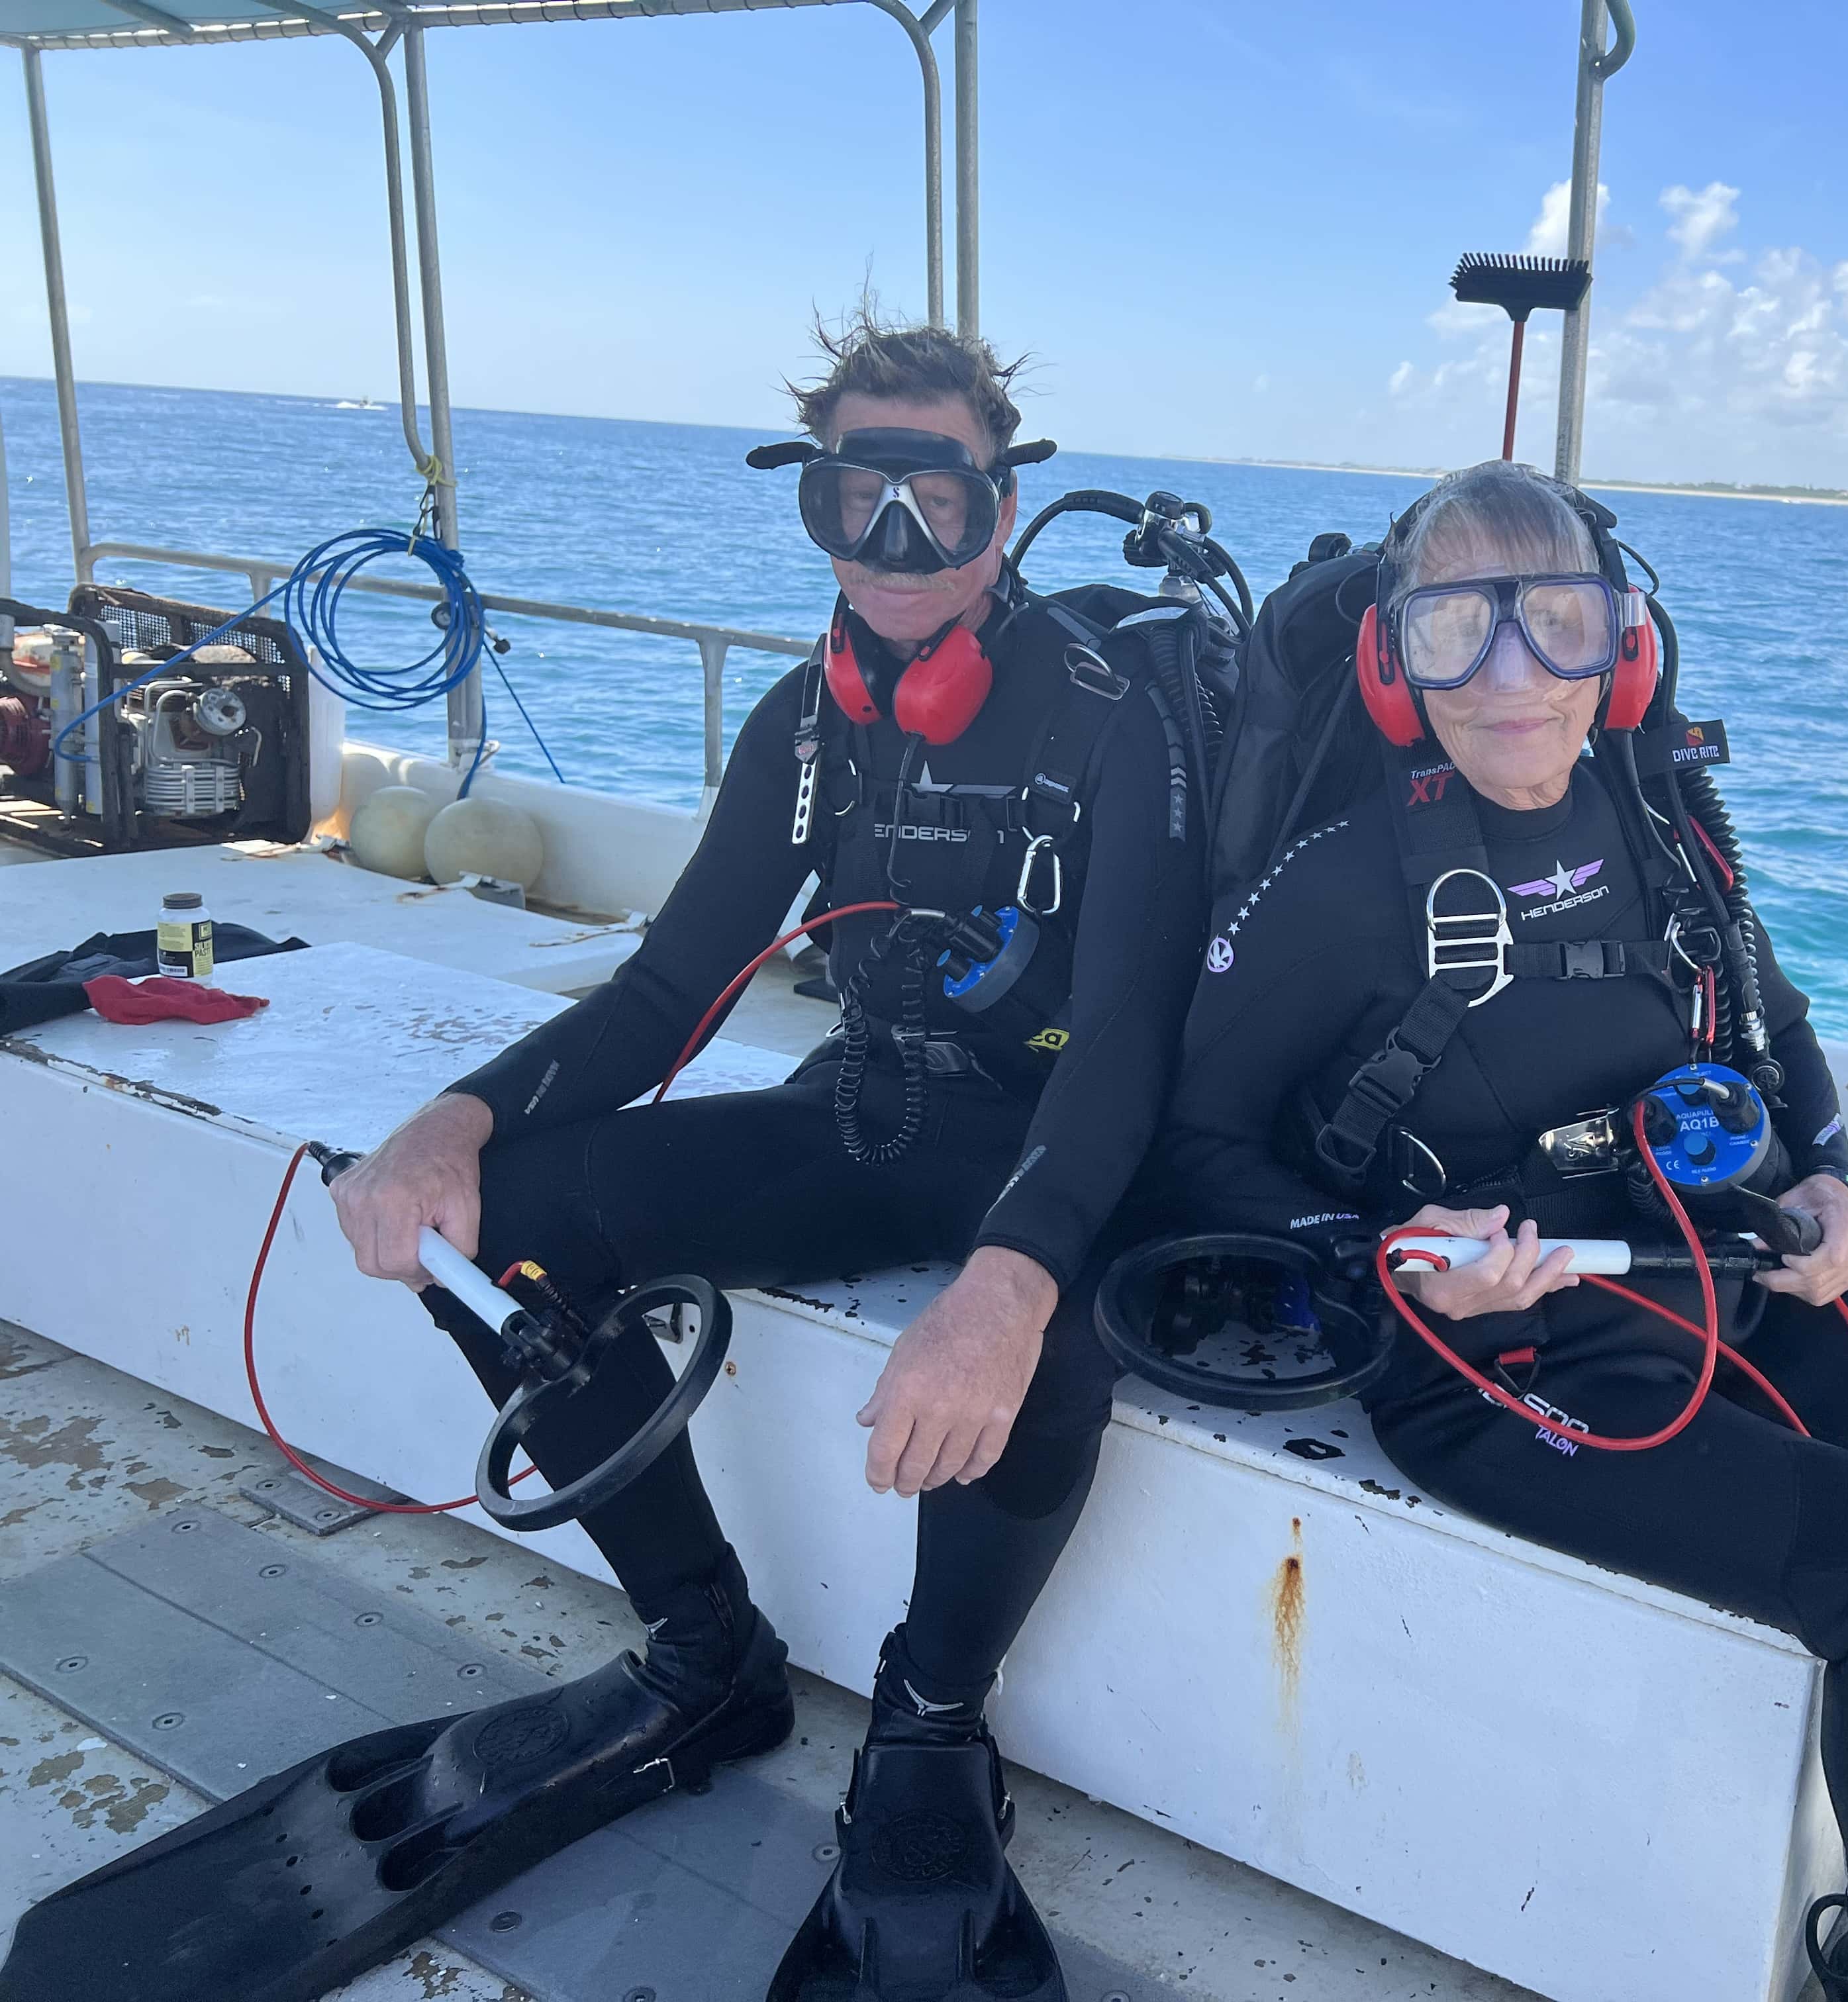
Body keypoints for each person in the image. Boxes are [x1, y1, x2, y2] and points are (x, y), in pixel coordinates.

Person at [2, 314, 1207, 2002]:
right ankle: (707, 1653)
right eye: (857, 502)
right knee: (503, 1217)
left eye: (940, 504)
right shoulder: (806, 720)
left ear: (1005, 510)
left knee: (1052, 1343)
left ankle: (932, 1721)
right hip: (864, 1117)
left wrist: (1006, 1283)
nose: (896, 549)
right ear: (814, 506)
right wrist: (453, 1123)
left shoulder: (1112, 721)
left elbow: (1138, 1052)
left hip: (1054, 1143)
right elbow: (665, 989)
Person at [1155, 459, 1848, 2002]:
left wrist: (1834, 1188)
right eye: (1458, 628)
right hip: (1500, 1362)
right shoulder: (1338, 887)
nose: (1513, 676)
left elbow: (1779, 1023)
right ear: (1396, 662)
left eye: (1562, 624)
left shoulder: (1661, 812)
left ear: (1625, 648)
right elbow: (1193, 1148)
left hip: (1723, 1278)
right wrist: (1387, 1255)